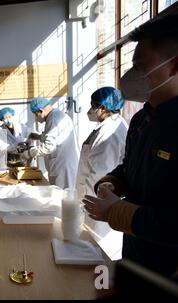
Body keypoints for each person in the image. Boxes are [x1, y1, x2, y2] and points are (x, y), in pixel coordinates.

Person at [83, 14, 178, 278]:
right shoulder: (141, 118)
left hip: (168, 272)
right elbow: (131, 166)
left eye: (140, 66)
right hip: (135, 255)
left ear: (174, 66)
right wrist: (113, 181)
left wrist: (119, 212)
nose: (130, 76)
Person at [76, 87, 128, 258]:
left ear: (103, 108)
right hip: (93, 197)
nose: (90, 111)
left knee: (100, 247)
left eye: (93, 106)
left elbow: (100, 175)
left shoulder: (109, 133)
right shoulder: (107, 126)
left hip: (97, 201)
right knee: (94, 246)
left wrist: (83, 201)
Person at [26, 97, 79, 189]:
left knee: (62, 197)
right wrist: (38, 137)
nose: (36, 117)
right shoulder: (56, 116)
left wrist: (30, 152)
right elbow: (56, 137)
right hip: (63, 165)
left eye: (35, 114)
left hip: (62, 168)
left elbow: (48, 147)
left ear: (41, 111)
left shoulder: (54, 119)